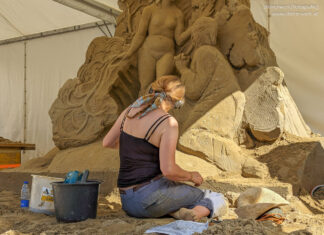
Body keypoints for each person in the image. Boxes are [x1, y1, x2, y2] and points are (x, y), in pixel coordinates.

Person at [103, 75, 227, 221]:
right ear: (178, 102)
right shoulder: (168, 123)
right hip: (148, 200)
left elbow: (107, 142)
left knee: (171, 189)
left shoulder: (130, 111)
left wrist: (134, 149)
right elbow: (168, 171)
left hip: (127, 202)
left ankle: (179, 212)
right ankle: (195, 214)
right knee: (214, 197)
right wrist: (191, 175)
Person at [120, 0, 192, 95]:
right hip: (148, 51)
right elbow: (140, 34)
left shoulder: (178, 14)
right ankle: (141, 109)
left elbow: (179, 40)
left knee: (161, 85)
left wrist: (193, 28)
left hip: (166, 53)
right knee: (144, 86)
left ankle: (157, 109)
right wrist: (130, 52)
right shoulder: (150, 10)